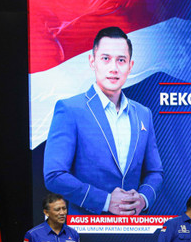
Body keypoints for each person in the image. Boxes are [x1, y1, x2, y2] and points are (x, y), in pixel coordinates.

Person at [43, 26, 163, 215]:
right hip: (85, 231)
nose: (113, 68)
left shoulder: (143, 114)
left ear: (130, 65)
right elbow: (54, 175)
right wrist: (105, 201)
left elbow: (155, 172)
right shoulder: (69, 109)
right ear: (92, 61)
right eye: (106, 59)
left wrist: (143, 198)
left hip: (133, 230)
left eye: (121, 60)